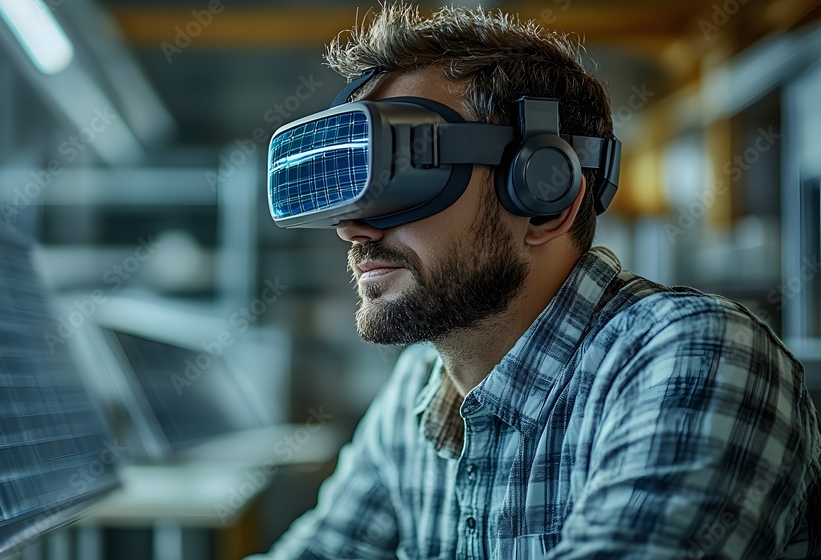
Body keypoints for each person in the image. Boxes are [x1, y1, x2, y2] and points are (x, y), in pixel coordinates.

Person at [251, 4, 821, 558]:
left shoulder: (692, 355)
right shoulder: (418, 392)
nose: (352, 229)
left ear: (544, 199)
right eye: (351, 197)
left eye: (403, 179)